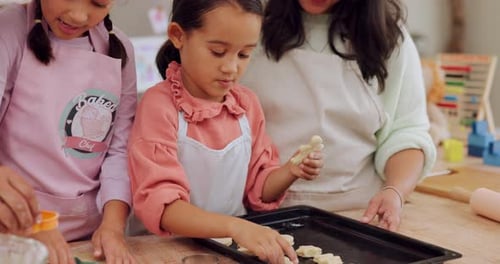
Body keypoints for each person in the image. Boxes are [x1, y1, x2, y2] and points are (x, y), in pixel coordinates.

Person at [127, 1, 323, 263]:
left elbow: (258, 190)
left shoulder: (246, 105)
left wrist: (290, 171)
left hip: (228, 250)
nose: (231, 67)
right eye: (218, 52)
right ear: (178, 36)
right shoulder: (159, 107)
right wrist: (234, 226)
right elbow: (164, 208)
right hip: (166, 251)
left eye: (243, 55)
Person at [241, 0, 436, 232]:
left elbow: (405, 132)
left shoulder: (389, 38)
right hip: (261, 218)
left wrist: (394, 191)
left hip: (359, 217)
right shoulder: (249, 25)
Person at [0, 0, 137, 263]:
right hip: (14, 233)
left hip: (89, 236)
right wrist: (33, 224)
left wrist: (112, 227)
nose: (78, 15)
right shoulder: (9, 30)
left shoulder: (119, 48)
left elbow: (118, 151)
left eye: (98, 3)